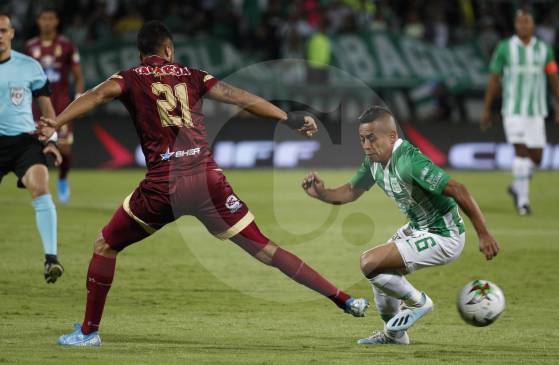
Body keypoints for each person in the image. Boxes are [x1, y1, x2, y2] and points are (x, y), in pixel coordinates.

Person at [37, 21, 368, 347]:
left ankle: (88, 333)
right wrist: (288, 118)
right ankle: (343, 298)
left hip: (164, 186)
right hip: (207, 179)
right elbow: (238, 97)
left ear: (141, 55)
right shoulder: (192, 75)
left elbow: (95, 96)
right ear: (168, 49)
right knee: (265, 249)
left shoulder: (130, 78)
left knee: (105, 245)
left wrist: (56, 122)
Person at [302, 106, 500, 345]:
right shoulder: (373, 162)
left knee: (369, 262)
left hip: (444, 235)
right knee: (380, 275)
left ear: (392, 136)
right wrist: (322, 193)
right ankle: (395, 335)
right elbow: (351, 191)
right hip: (418, 227)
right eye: (362, 139)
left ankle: (419, 302)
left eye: (372, 138)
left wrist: (484, 234)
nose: (366, 145)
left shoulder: (409, 162)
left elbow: (458, 189)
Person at [481, 8, 559, 216]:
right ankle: (523, 203)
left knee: (538, 157)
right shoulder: (504, 48)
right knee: (520, 151)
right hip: (513, 110)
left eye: (527, 22)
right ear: (516, 25)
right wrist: (487, 109)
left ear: (533, 25)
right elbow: (493, 79)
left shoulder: (545, 49)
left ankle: (517, 186)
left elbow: (553, 77)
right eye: (520, 23)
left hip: (536, 111)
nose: (524, 26)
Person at [0, 12, 64, 283]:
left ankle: (51, 260)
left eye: (3, 31)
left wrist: (51, 140)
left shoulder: (30, 67)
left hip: (24, 142)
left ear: (12, 33)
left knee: (40, 186)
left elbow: (47, 108)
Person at [25, 7, 85, 203]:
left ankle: (62, 178)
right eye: (44, 18)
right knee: (34, 149)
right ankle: (39, 187)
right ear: (38, 21)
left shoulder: (66, 46)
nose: (47, 22)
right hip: (37, 106)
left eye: (51, 18)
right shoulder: (30, 47)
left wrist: (78, 98)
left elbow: (78, 76)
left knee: (65, 150)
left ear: (57, 21)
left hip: (62, 107)